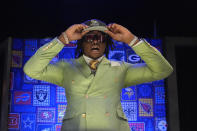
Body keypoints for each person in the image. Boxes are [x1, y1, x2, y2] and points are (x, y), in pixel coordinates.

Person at [23, 19, 173, 131]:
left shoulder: (121, 69)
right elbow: (31, 70)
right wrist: (63, 39)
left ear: (106, 43)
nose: (95, 41)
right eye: (89, 37)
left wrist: (131, 40)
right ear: (81, 42)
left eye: (100, 37)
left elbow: (163, 70)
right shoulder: (65, 67)